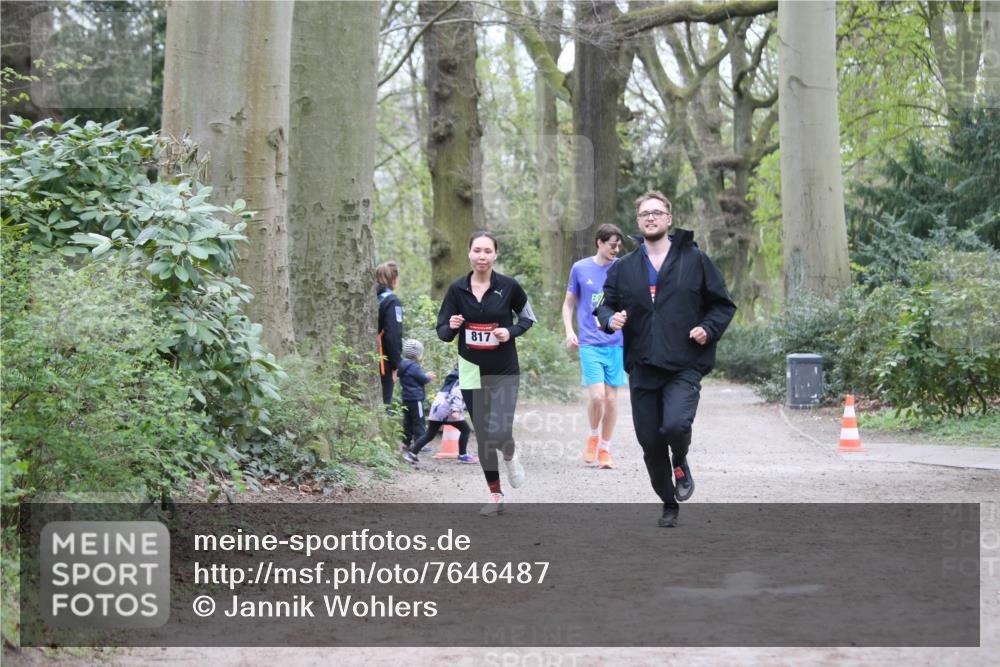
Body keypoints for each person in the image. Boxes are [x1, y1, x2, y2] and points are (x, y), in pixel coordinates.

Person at [595, 191, 736, 528]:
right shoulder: (624, 267)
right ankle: (668, 502)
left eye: (657, 212)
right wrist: (610, 318)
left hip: (684, 362)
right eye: (645, 214)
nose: (651, 217)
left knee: (675, 425)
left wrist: (707, 328)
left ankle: (681, 459)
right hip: (643, 365)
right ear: (638, 221)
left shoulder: (695, 260)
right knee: (650, 442)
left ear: (669, 219)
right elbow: (604, 304)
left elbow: (722, 305)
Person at [437, 231, 536, 516]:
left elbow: (528, 318)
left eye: (488, 251)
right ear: (469, 253)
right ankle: (495, 495)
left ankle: (510, 454)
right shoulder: (457, 289)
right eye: (477, 250)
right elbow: (442, 331)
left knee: (500, 430)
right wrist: (452, 326)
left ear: (495, 254)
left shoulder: (509, 286)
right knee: (483, 435)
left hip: (504, 369)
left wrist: (510, 331)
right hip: (470, 370)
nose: (482, 256)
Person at [562, 223, 626, 469]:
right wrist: (570, 331)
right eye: (612, 245)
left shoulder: (622, 268)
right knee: (597, 396)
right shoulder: (580, 268)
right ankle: (593, 435)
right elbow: (568, 304)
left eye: (619, 246)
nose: (616, 250)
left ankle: (605, 449)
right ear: (599, 242)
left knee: (611, 400)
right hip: (589, 342)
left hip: (617, 343)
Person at [404, 367, 477, 464]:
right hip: (448, 411)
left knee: (429, 434)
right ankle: (463, 455)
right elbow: (457, 395)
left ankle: (412, 454)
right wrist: (456, 410)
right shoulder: (459, 384)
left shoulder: (448, 384)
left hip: (436, 411)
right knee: (465, 430)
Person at [397, 339, 437, 449]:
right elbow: (423, 379)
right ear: (417, 354)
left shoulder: (402, 365)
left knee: (408, 421)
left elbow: (413, 377)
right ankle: (420, 444)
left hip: (406, 398)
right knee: (419, 421)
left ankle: (406, 443)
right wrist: (428, 376)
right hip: (416, 399)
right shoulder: (414, 366)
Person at [376, 261, 403, 406]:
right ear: (393, 279)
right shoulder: (391, 301)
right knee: (384, 404)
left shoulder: (372, 298)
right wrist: (396, 365)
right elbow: (393, 335)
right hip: (383, 361)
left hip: (367, 357)